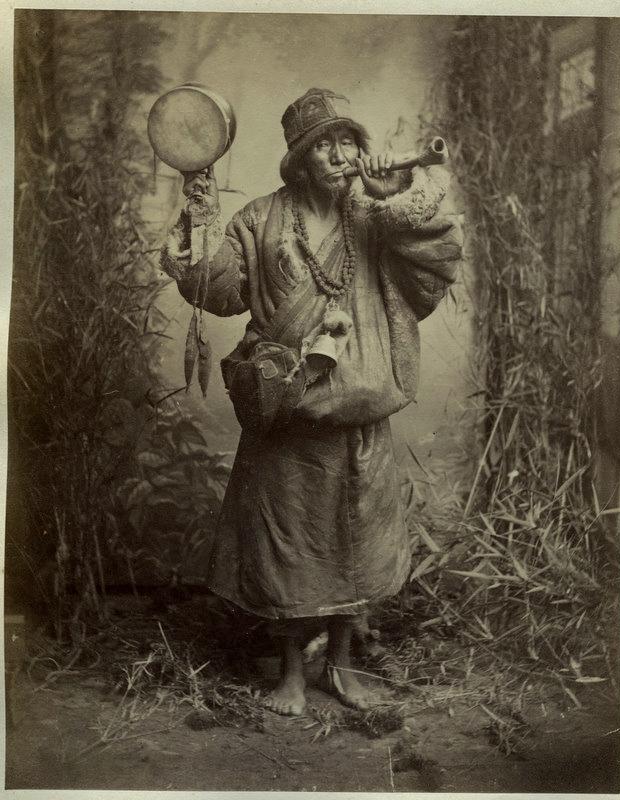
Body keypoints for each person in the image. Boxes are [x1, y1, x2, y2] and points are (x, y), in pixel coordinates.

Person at [160, 88, 462, 717]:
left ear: (360, 148)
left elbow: (430, 263)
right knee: (288, 549)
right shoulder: (261, 219)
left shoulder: (373, 213)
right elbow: (218, 292)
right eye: (321, 144)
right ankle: (293, 676)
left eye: (347, 139)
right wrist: (197, 214)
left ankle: (344, 669)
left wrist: (394, 195)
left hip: (357, 416)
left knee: (359, 544)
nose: (337, 153)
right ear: (298, 160)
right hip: (286, 416)